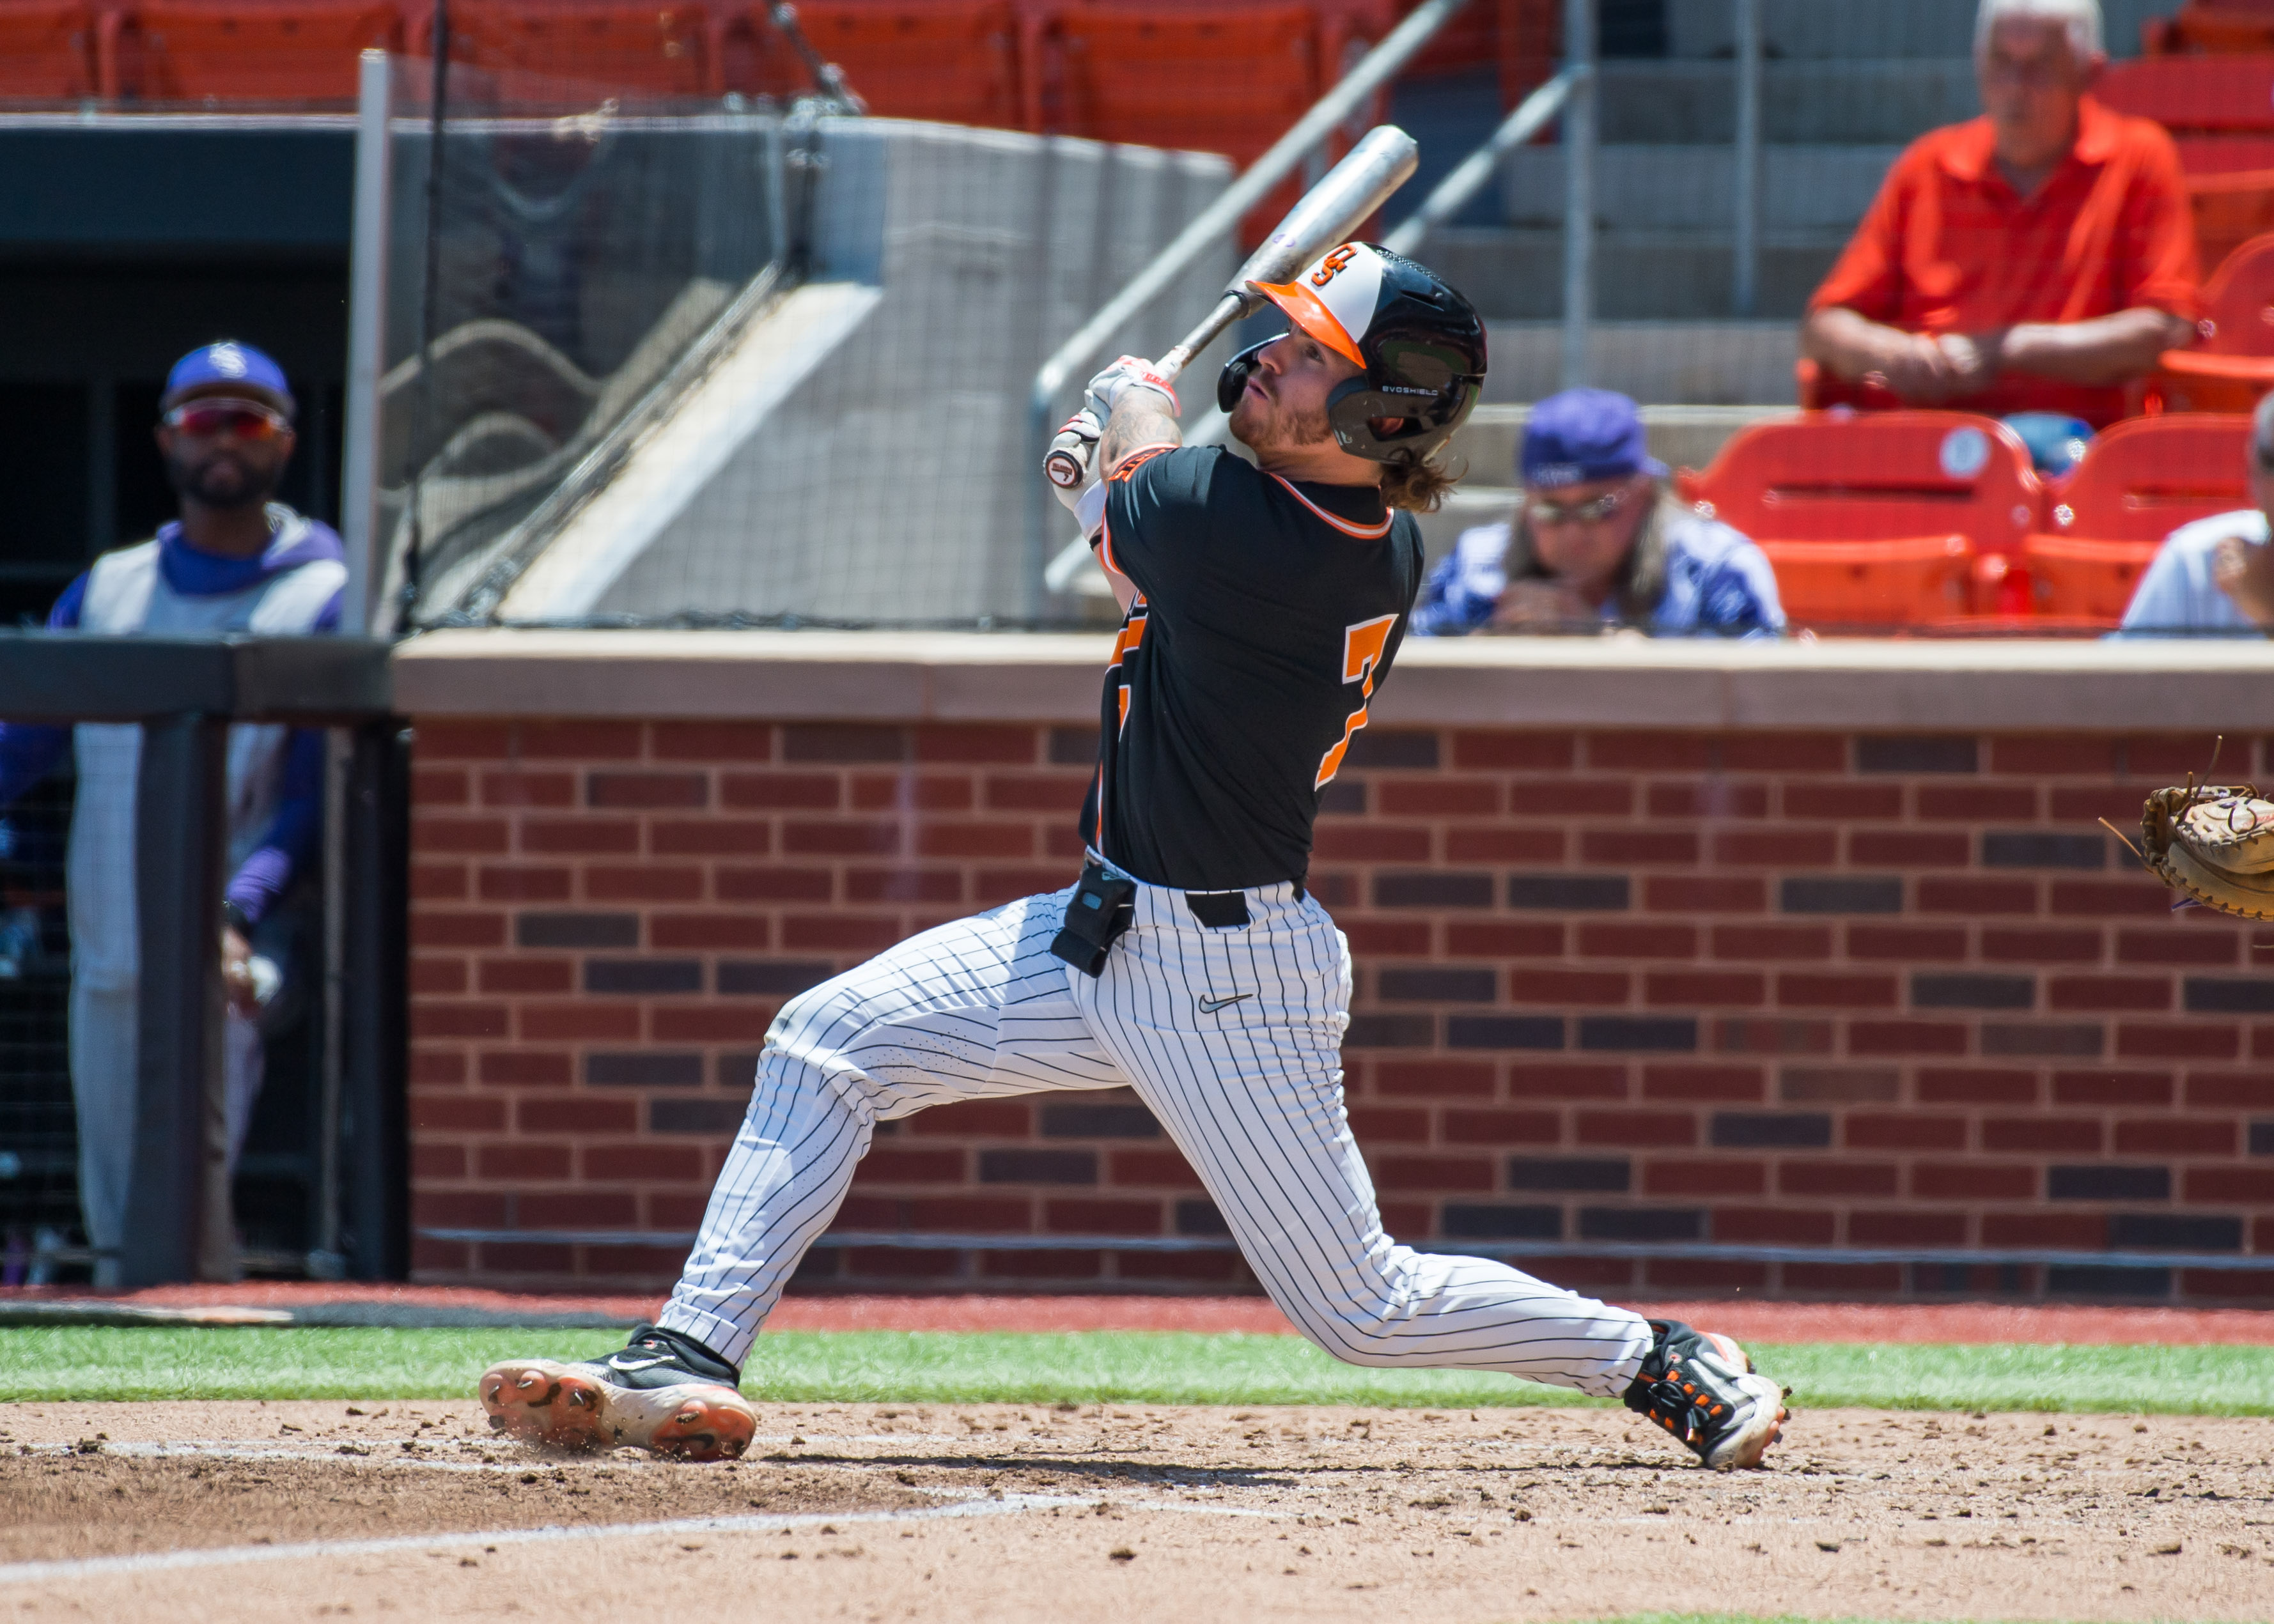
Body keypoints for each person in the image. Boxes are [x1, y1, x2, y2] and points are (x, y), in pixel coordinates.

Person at [479, 244, 1790, 1472]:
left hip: (1223, 977)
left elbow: (1143, 494)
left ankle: (1661, 1358)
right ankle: (685, 1352)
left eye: (1309, 353)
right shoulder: (1303, 528)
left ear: (1386, 411)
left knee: (1362, 1307)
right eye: (1278, 333)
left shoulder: (1253, 523)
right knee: (828, 1043)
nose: (1272, 353)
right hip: (1101, 927)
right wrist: (1111, 478)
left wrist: (1125, 402)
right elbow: (1142, 555)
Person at [0, 341, 346, 1285]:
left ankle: (221, 1345)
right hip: (112, 937)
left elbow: (315, 798)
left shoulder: (325, 588)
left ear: (284, 439)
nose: (222, 438)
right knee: (118, 1199)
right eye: (203, 419)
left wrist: (237, 911)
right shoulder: (108, 586)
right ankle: (139, 1385)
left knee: (203, 1190)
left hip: (244, 938)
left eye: (246, 420)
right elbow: (24, 743)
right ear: (166, 438)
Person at [1800, 0, 2199, 442]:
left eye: (2038, 67)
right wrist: (1895, 354)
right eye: (2000, 63)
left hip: (2071, 447)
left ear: (2089, 71)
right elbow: (1826, 325)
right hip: (1917, 435)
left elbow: (2166, 328)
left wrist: (2009, 350)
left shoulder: (2139, 159)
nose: (2014, 87)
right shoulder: (1926, 165)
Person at [1410, 389, 1784, 637]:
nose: (1572, 532)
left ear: (1644, 494)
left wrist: (1602, 646)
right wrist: (1485, 654)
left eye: (1596, 508)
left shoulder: (1716, 569)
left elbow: (1764, 709)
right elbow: (1399, 688)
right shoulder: (1477, 566)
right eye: (1550, 510)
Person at [2117, 391, 2274, 634]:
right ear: (2253, 466)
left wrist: (2268, 614)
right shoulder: (2194, 561)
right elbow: (2123, 669)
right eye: (2273, 461)